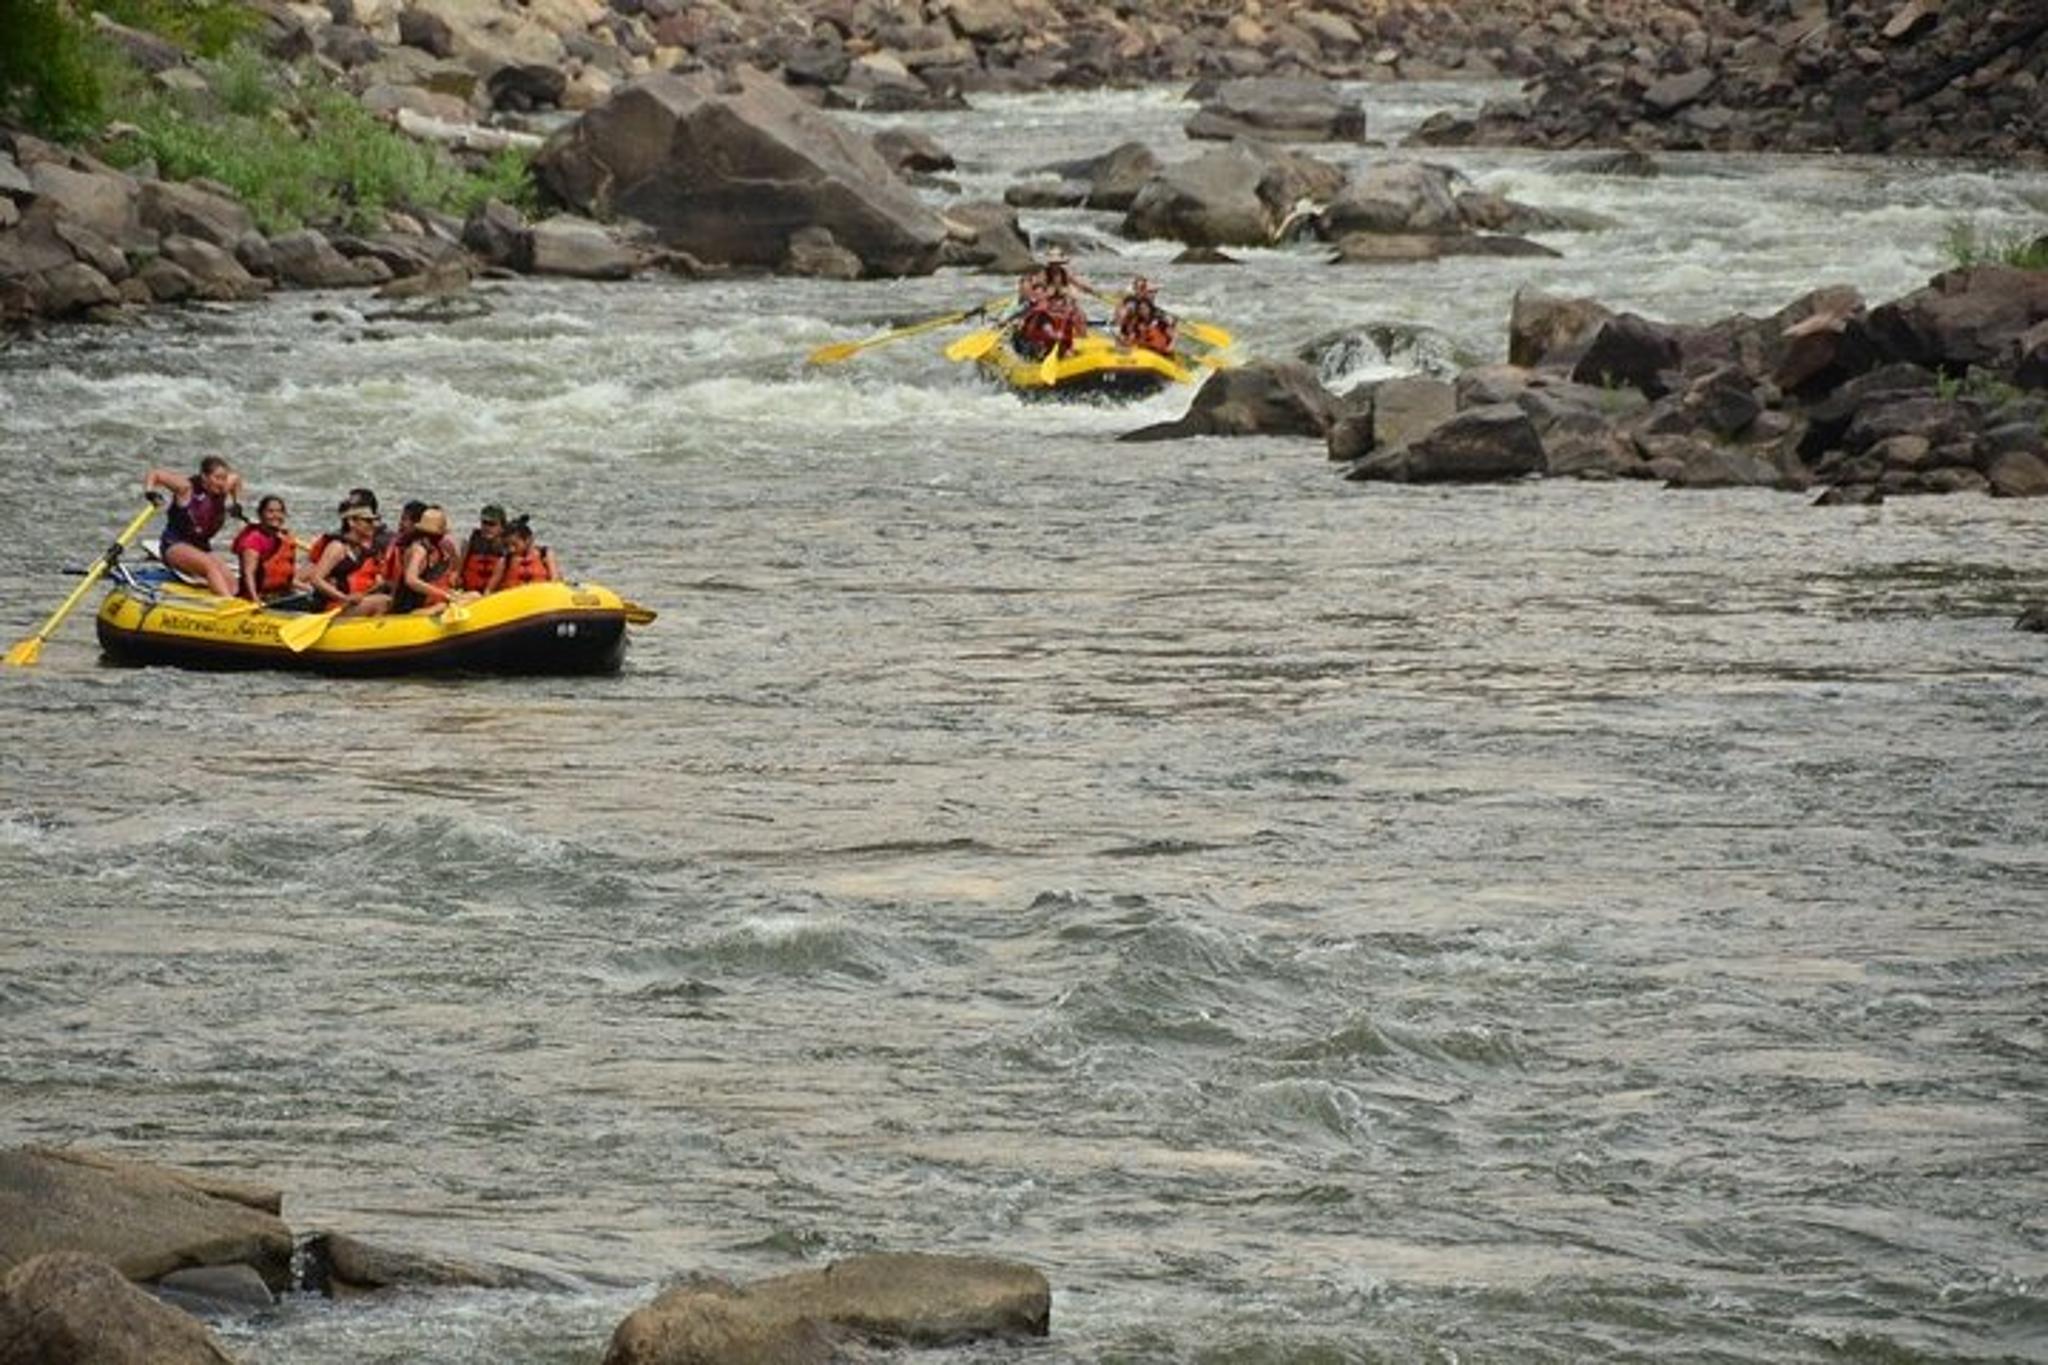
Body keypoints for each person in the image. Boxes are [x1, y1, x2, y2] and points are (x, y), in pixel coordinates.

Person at [145, 456, 244, 597]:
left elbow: (236, 479)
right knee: (209, 566)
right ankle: (228, 604)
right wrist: (150, 492)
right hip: (175, 545)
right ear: (204, 477)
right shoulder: (185, 488)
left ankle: (234, 600)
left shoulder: (223, 488)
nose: (222, 483)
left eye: (224, 478)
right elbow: (156, 474)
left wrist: (236, 502)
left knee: (231, 582)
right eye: (217, 478)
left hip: (201, 547)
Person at [305, 503, 390, 617]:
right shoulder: (337, 547)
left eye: (374, 521)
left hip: (344, 604)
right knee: (383, 602)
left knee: (387, 599)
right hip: (330, 606)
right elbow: (315, 579)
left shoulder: (360, 548)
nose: (373, 525)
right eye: (367, 521)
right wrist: (344, 598)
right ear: (352, 522)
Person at [390, 506, 461, 613]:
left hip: (424, 601)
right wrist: (443, 594)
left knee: (474, 596)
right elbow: (411, 580)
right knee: (442, 606)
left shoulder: (434, 548)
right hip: (410, 606)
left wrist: (448, 592)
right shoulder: (419, 550)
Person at [229, 495, 300, 602]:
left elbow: (287, 579)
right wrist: (255, 600)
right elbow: (248, 574)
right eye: (270, 511)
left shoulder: (283, 538)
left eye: (280, 511)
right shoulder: (253, 540)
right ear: (260, 514)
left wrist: (309, 588)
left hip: (281, 595)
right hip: (262, 597)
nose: (276, 515)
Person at [1113, 276, 1177, 355]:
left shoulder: (1158, 317)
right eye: (1138, 288)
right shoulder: (1131, 304)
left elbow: (1172, 329)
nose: (1143, 311)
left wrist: (1171, 346)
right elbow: (1122, 318)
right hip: (1142, 347)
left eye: (1154, 292)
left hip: (1158, 351)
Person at [455, 503, 508, 594]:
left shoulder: (508, 545)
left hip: (495, 595)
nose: (487, 527)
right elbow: (457, 572)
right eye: (484, 523)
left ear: (502, 527)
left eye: (492, 524)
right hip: (469, 593)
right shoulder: (472, 542)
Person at [497, 516, 559, 588]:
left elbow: (555, 581)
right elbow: (489, 590)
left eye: (515, 545)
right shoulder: (505, 561)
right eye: (507, 545)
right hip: (515, 598)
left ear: (528, 540)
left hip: (541, 596)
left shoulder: (545, 554)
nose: (511, 549)